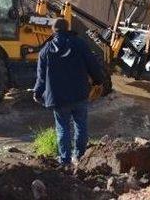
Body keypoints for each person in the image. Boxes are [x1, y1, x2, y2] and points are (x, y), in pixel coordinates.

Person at [33, 18, 104, 165]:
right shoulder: (80, 44)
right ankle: (80, 156)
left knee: (62, 128)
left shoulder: (45, 50)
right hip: (80, 94)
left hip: (58, 98)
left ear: (53, 31)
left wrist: (37, 93)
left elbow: (41, 78)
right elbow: (93, 64)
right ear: (68, 28)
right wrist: (98, 80)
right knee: (81, 125)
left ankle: (64, 161)